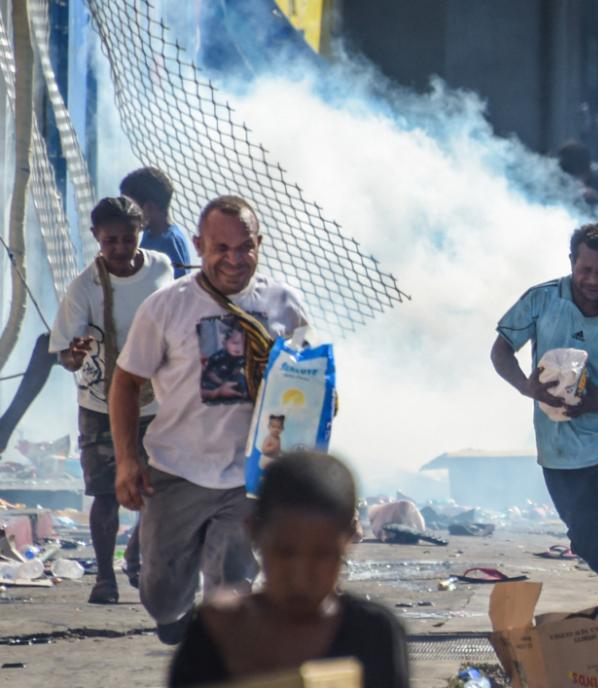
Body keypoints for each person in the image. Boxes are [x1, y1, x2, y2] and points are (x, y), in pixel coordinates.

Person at [111, 195, 309, 643]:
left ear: (259, 244)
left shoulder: (283, 303)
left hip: (249, 477)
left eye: (245, 248)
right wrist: (126, 460)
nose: (234, 260)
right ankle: (173, 618)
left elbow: (306, 384)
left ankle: (220, 658)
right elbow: (125, 383)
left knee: (231, 590)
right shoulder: (167, 307)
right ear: (199, 246)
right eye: (221, 249)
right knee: (161, 592)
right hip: (176, 471)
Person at [490, 223, 598, 603]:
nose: (592, 279)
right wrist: (526, 386)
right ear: (572, 263)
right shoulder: (541, 300)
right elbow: (500, 350)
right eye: (585, 270)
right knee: (583, 533)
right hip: (558, 445)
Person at [169, 451, 409, 687]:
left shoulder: (373, 634)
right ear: (255, 534)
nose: (301, 577)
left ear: (348, 541)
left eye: (322, 555)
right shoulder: (215, 633)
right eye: (285, 553)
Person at [48, 197, 174, 604]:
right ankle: (105, 577)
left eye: (128, 239)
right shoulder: (84, 288)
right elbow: (65, 357)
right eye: (110, 241)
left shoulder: (161, 268)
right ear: (95, 239)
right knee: (105, 493)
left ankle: (136, 553)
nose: (120, 249)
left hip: (157, 401)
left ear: (141, 234)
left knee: (159, 487)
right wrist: (76, 354)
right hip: (101, 403)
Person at [120, 166, 193, 278]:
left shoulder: (169, 242)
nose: (126, 215)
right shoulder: (149, 233)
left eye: (130, 208)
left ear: (149, 208)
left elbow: (179, 286)